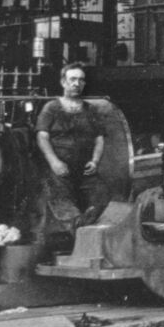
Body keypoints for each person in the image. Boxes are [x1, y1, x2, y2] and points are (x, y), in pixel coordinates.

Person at [35, 62, 109, 240]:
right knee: (62, 201)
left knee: (103, 195)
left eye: (81, 80)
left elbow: (99, 138)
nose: (77, 83)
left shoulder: (90, 110)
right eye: (72, 79)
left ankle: (85, 229)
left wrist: (95, 161)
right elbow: (42, 137)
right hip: (59, 169)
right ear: (63, 82)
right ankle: (79, 233)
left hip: (84, 169)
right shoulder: (51, 108)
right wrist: (54, 162)